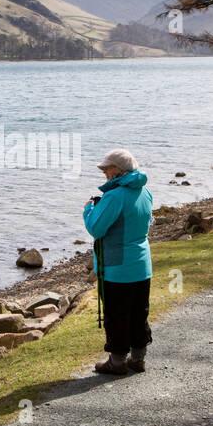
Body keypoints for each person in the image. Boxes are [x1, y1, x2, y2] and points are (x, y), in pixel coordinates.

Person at [83, 148, 153, 375]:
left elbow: (96, 228)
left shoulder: (114, 196)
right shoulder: (145, 193)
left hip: (117, 267)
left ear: (120, 171)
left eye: (107, 168)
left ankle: (117, 361)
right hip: (141, 264)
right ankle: (138, 358)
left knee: (117, 314)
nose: (103, 171)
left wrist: (89, 209)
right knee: (138, 312)